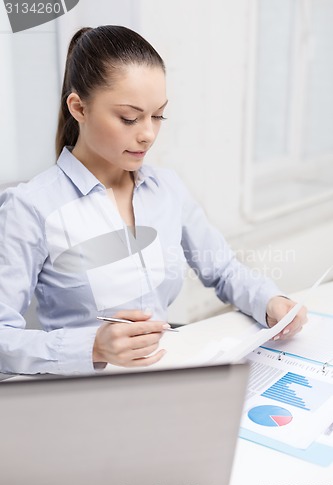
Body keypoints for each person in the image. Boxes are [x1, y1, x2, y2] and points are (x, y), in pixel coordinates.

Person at [0, 25, 307, 375]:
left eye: (158, 115)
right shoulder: (29, 208)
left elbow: (222, 269)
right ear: (79, 108)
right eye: (129, 118)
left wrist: (270, 301)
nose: (147, 134)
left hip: (166, 373)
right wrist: (93, 346)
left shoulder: (167, 188)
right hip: (83, 396)